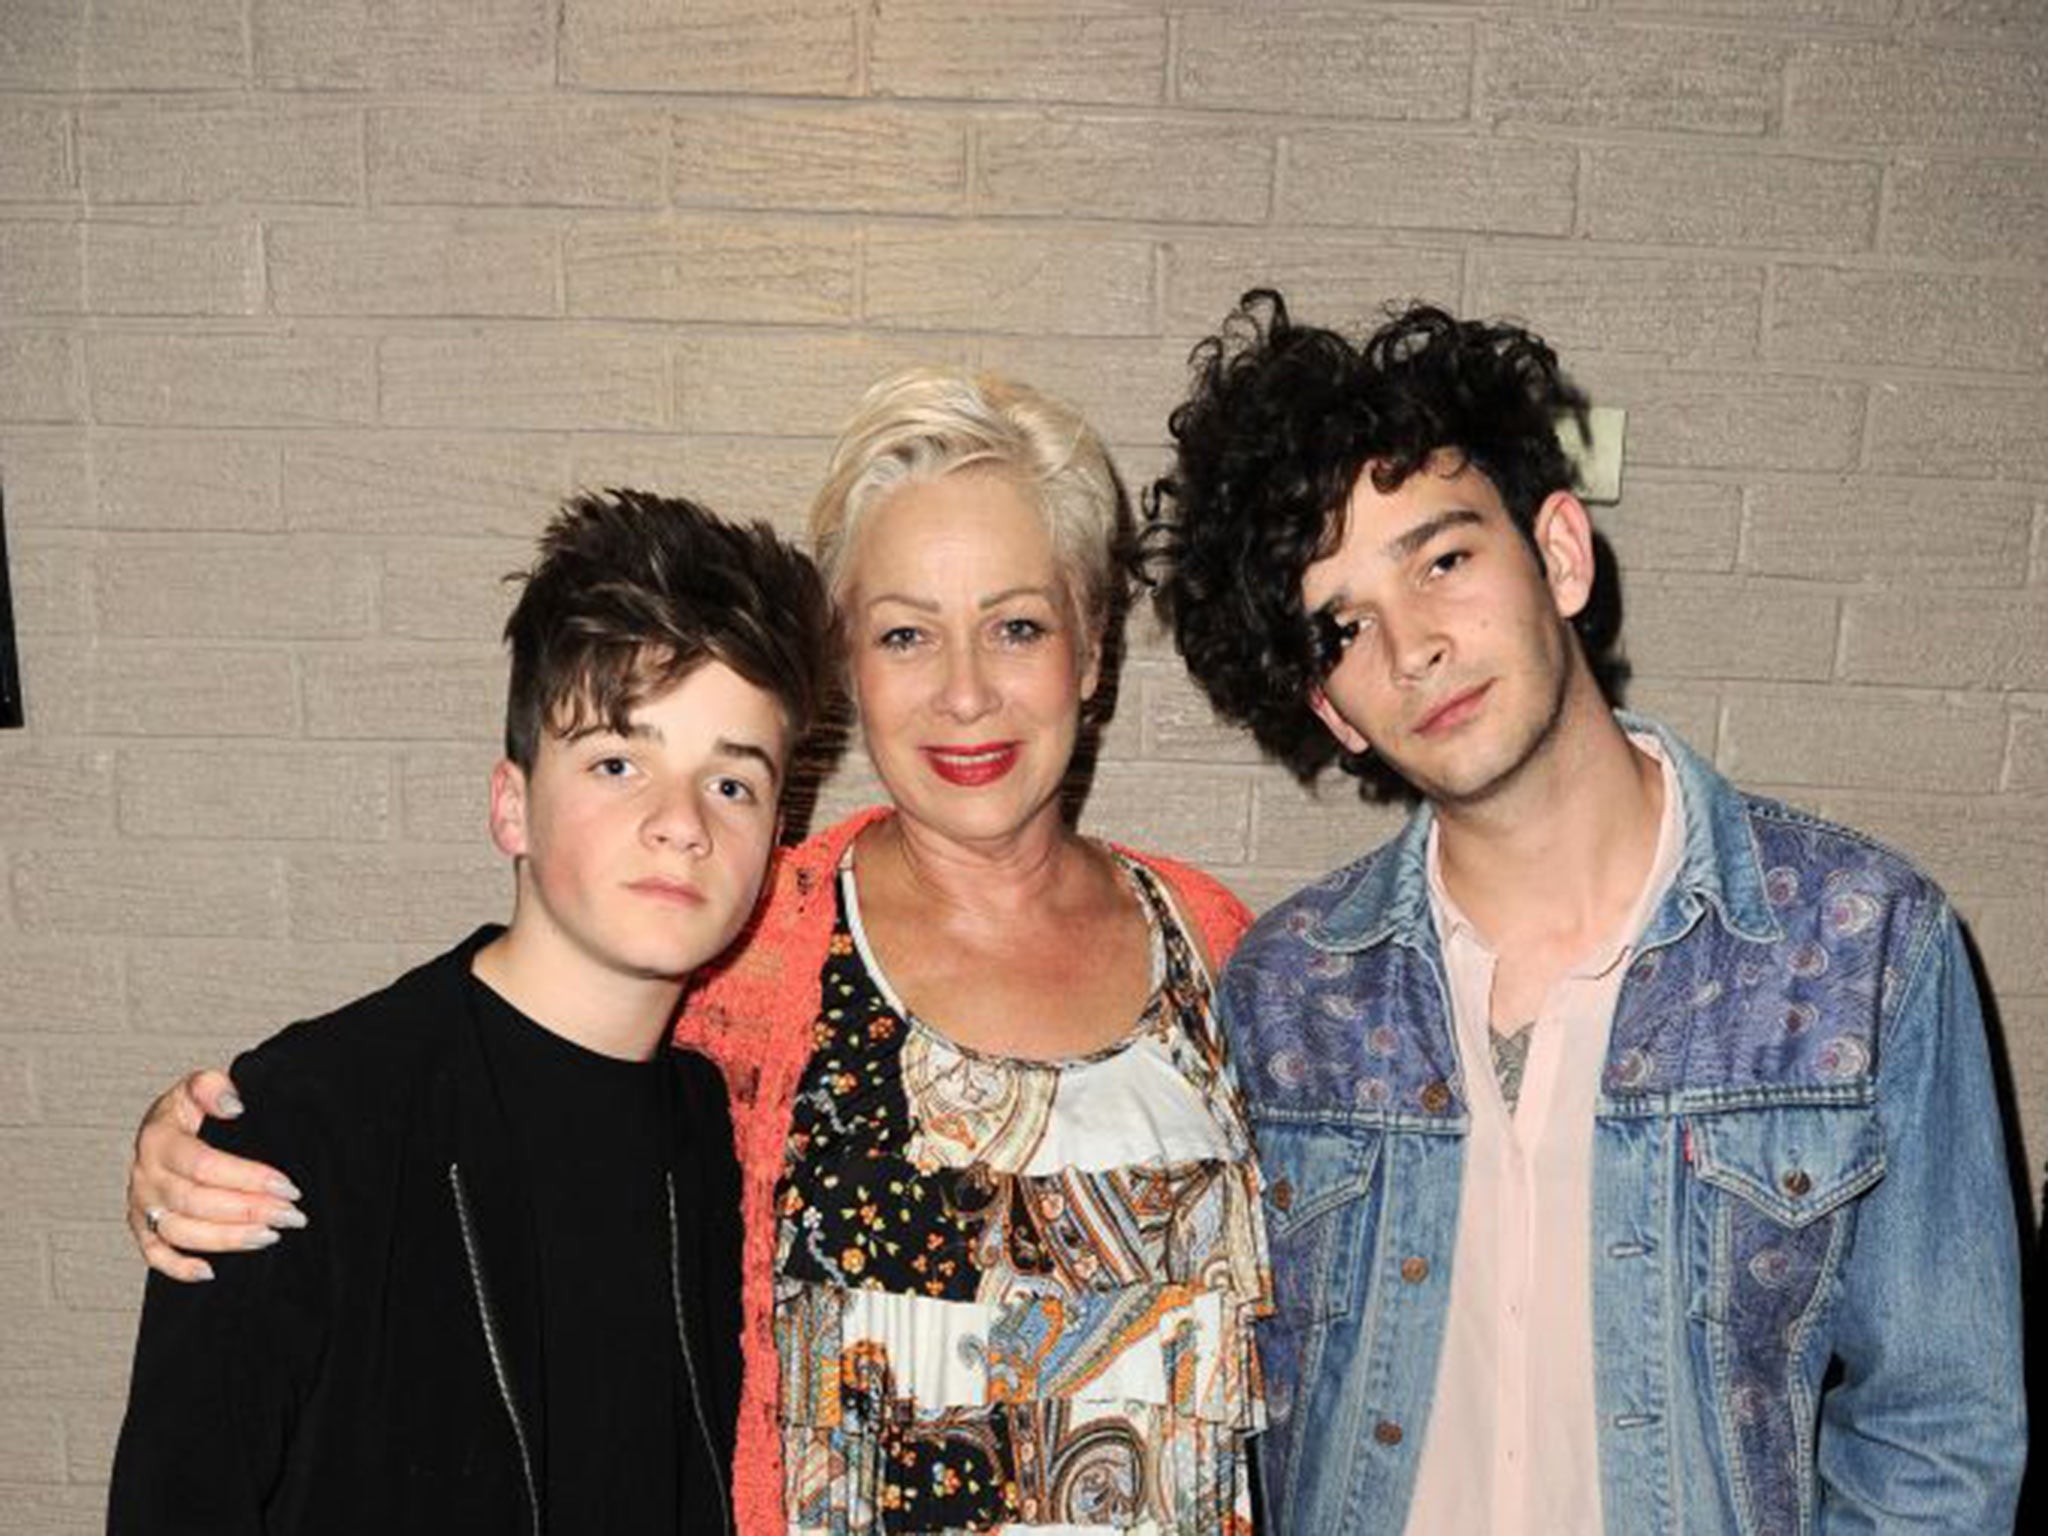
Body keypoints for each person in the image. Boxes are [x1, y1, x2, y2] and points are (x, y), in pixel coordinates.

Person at [122, 372, 1274, 1536]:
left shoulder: (1219, 946)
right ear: (853, 679)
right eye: (904, 634)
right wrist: (213, 1132)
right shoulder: (758, 948)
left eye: (1016, 626)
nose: (964, 691)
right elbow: (515, 1043)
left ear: (1088, 651)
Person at [1145, 291, 2028, 1535]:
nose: (1413, 649)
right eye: (1343, 628)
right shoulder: (1285, 993)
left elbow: (1940, 1436)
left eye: (1441, 560)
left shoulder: (1862, 948)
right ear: (1332, 708)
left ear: (1559, 553)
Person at [107, 490, 832, 1535]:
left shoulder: (729, 1142)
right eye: (618, 764)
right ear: (510, 806)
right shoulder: (302, 1124)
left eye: (731, 784)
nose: (678, 824)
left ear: (773, 844)